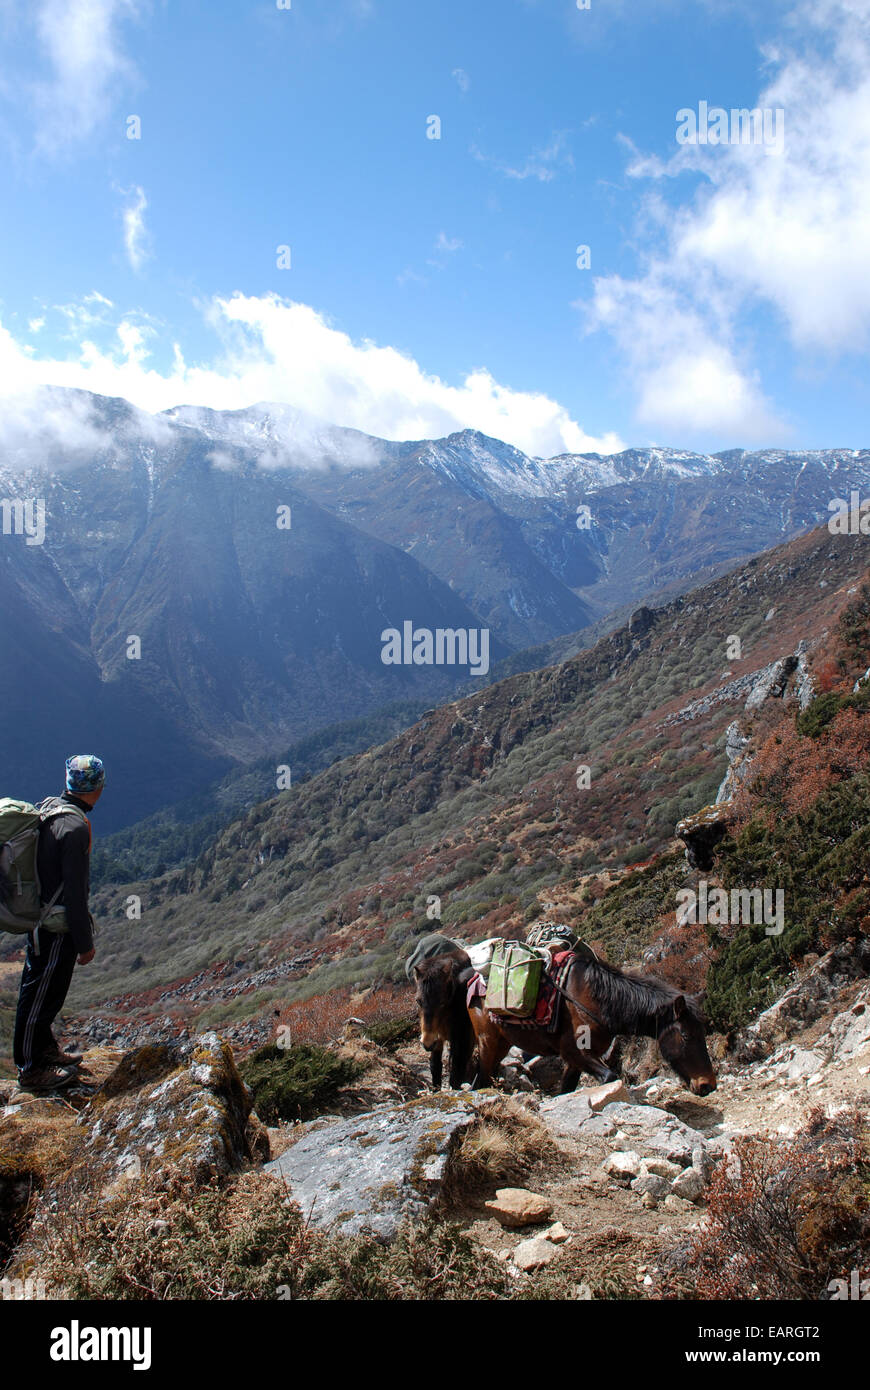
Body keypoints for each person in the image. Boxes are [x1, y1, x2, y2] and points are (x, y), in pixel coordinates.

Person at [12, 755, 105, 1093]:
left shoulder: (53, 808)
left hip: (41, 919)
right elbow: (75, 894)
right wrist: (84, 943)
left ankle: (45, 1051)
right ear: (95, 787)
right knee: (38, 996)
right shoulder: (76, 829)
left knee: (46, 993)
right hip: (55, 927)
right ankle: (29, 1068)